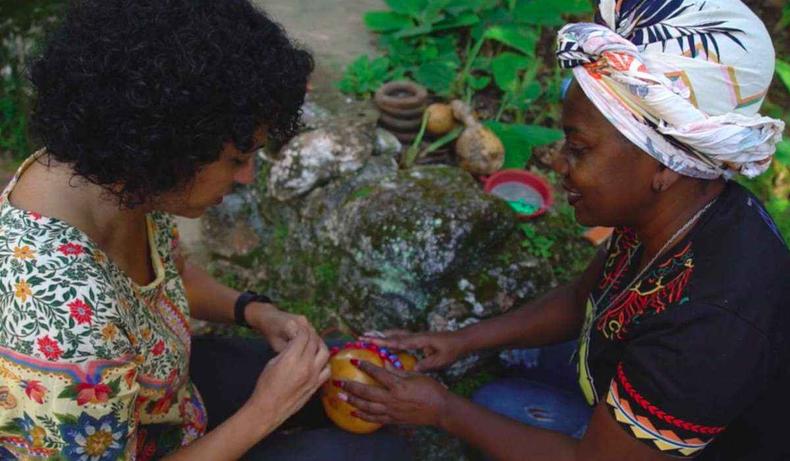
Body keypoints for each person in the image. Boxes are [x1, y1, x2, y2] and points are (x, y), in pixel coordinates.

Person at [341, 0, 790, 459]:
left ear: (663, 164)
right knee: (505, 383)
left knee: (494, 404)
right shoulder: (677, 210)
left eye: (577, 147)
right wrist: (460, 341)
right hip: (635, 374)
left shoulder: (711, 324)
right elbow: (584, 298)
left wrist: (442, 411)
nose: (556, 161)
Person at [0, 1, 411, 459]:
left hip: (168, 401)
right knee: (376, 453)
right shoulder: (62, 323)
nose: (247, 178)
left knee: (350, 378)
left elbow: (165, 275)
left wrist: (253, 312)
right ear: (171, 146)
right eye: (238, 159)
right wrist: (266, 411)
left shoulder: (112, 177)